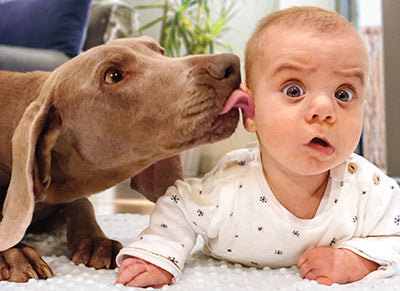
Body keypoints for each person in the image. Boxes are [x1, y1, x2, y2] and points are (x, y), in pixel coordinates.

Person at [115, 6, 400, 288]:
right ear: (250, 112)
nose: (325, 110)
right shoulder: (228, 187)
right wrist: (158, 254)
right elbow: (178, 207)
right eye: (294, 90)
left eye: (343, 94)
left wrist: (356, 261)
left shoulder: (367, 188)